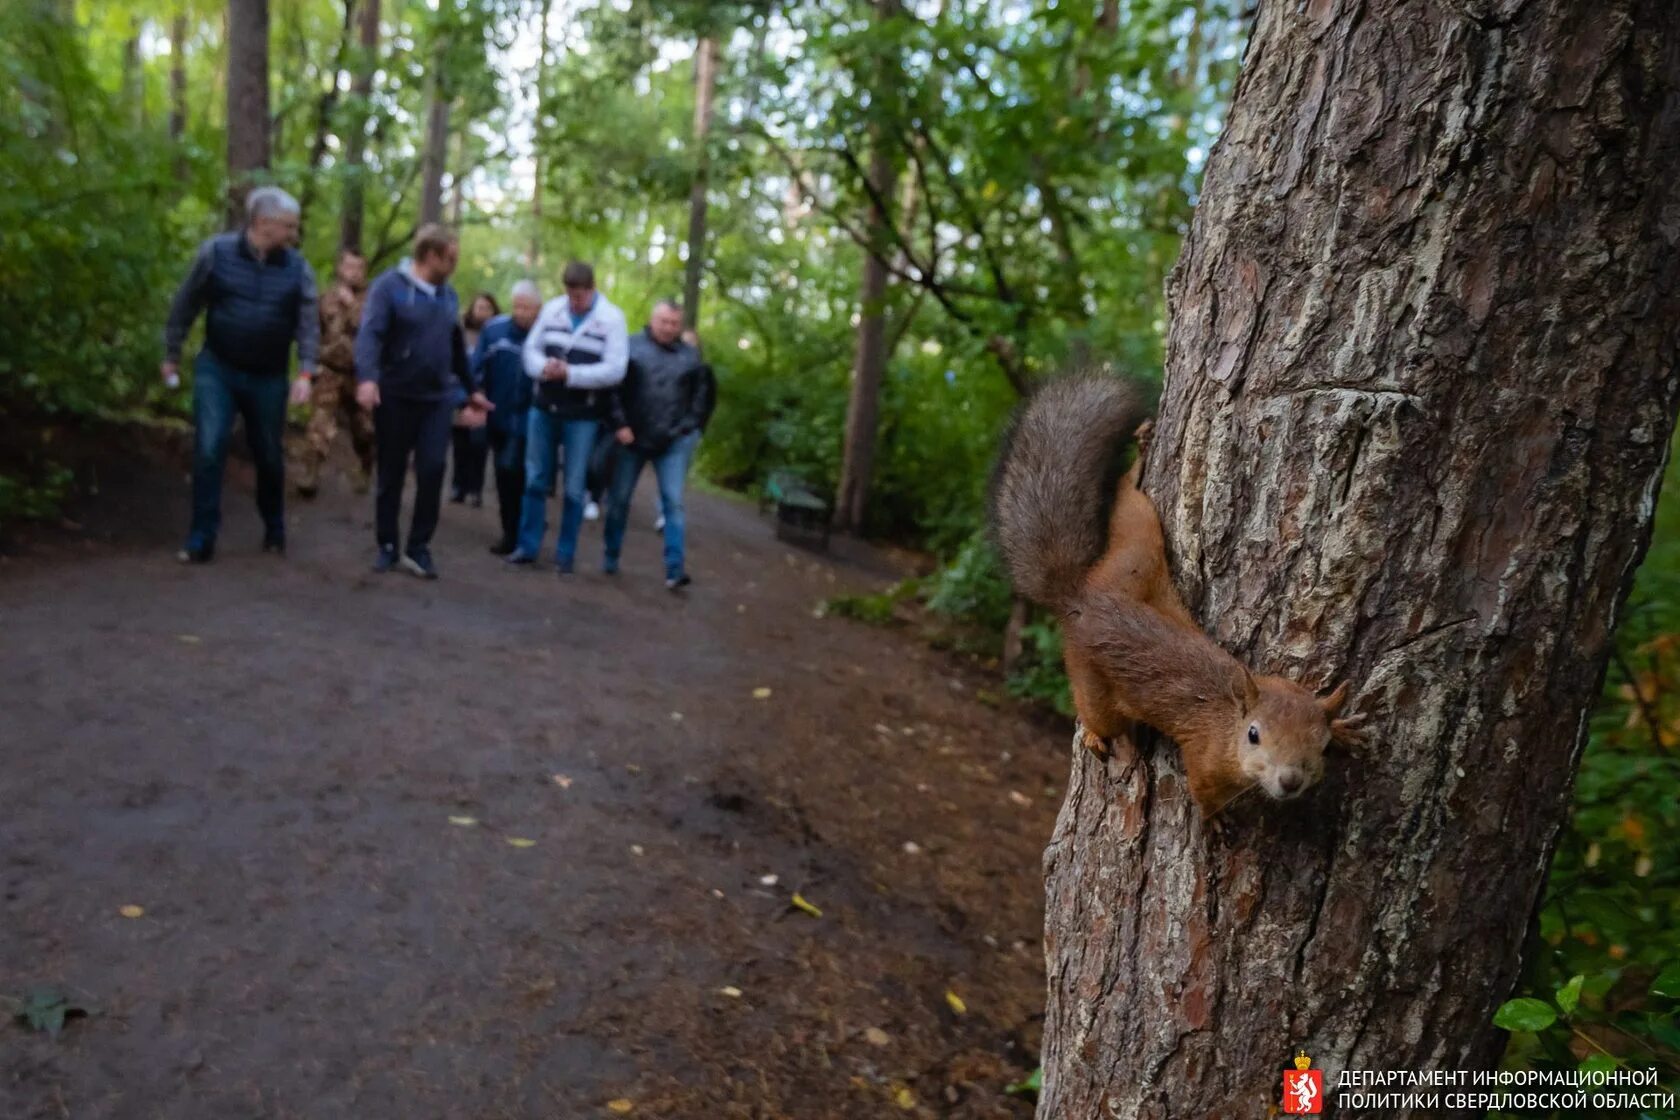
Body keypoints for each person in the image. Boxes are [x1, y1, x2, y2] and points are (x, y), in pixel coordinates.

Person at [162, 186, 318, 563]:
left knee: (267, 453)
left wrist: (306, 371)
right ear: (263, 223)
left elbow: (307, 322)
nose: (294, 234)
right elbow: (186, 303)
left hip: (268, 376)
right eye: (288, 226)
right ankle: (201, 537)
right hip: (218, 367)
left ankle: (274, 526)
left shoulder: (297, 268)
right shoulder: (216, 254)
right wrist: (171, 353)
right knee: (210, 445)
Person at [353, 223, 492, 579]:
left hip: (436, 398)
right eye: (451, 258)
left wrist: (471, 388)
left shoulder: (448, 295)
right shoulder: (390, 288)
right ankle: (387, 544)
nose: (454, 265)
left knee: (432, 469)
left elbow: (456, 347)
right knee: (391, 472)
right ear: (431, 255)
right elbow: (371, 334)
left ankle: (418, 547)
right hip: (396, 394)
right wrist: (368, 378)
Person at [506, 261, 628, 575]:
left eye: (580, 296)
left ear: (592, 289)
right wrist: (543, 367)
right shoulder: (553, 310)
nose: (574, 302)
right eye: (570, 295)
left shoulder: (611, 319)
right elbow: (530, 349)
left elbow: (615, 369)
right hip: (545, 406)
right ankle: (528, 545)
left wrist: (571, 374)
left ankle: (565, 554)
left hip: (582, 414)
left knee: (574, 487)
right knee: (535, 478)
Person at [603, 300, 712, 590]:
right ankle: (610, 555)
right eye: (664, 321)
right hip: (632, 437)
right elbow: (612, 390)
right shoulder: (630, 347)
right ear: (653, 319)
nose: (668, 328)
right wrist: (620, 424)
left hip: (672, 440)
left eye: (674, 324)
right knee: (619, 500)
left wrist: (687, 428)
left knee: (673, 502)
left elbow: (701, 396)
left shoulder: (691, 357)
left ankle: (675, 569)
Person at [297, 248, 375, 498]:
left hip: (360, 374)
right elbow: (312, 332)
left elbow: (374, 331)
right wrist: (309, 367)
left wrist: (352, 306)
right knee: (319, 424)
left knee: (364, 429)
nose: (354, 273)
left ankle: (366, 466)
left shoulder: (373, 300)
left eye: (359, 268)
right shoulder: (325, 298)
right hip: (329, 370)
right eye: (349, 267)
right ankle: (310, 475)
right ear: (340, 268)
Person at [471, 281, 540, 555]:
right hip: (498, 415)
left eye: (528, 308)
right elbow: (477, 367)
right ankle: (510, 530)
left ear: (539, 309)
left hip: (532, 419)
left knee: (520, 472)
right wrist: (475, 394)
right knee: (504, 474)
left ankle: (521, 535)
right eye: (518, 306)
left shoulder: (545, 335)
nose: (522, 313)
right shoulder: (494, 330)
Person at [450, 292, 499, 506]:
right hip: (460, 394)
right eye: (480, 307)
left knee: (478, 444)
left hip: (485, 394)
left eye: (488, 308)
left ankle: (475, 489)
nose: (483, 312)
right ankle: (457, 486)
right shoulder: (461, 333)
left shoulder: (497, 335)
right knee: (460, 443)